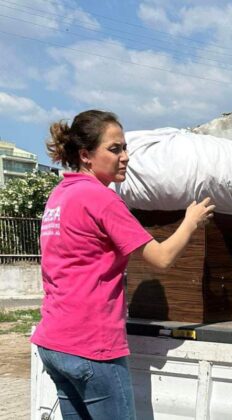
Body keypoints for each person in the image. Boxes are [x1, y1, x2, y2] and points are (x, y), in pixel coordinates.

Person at [31, 110, 215, 419]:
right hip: (91, 345)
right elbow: (161, 258)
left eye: (125, 147)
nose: (125, 157)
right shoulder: (101, 199)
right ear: (86, 155)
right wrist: (190, 222)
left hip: (54, 342)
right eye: (115, 149)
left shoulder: (59, 196)